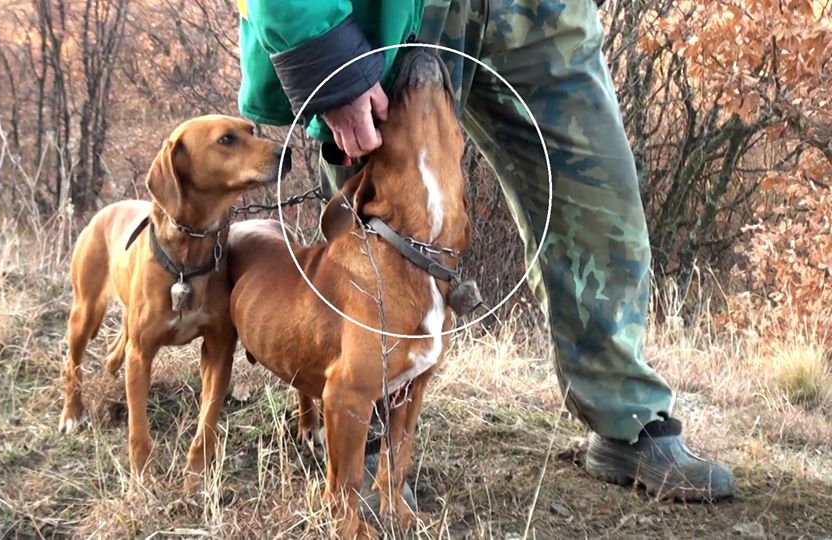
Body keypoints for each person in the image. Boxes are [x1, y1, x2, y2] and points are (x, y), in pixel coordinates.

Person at [234, 0, 735, 504]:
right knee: (380, 186)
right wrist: (325, 54)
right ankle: (366, 438)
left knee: (600, 196)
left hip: (541, 14)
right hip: (395, 10)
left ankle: (625, 412)